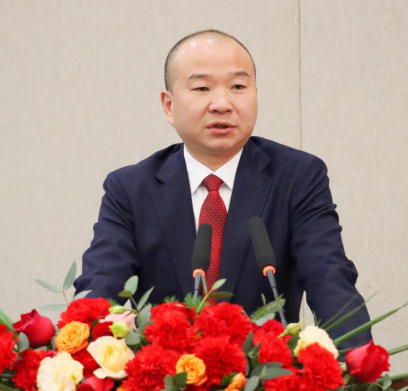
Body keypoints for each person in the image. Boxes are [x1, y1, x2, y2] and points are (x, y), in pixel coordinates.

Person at [73, 29, 372, 349]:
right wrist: (79, 352)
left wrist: (359, 364)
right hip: (165, 375)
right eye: (202, 88)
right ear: (169, 105)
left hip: (267, 375)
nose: (222, 103)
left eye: (238, 87)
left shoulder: (297, 177)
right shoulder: (130, 189)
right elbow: (100, 285)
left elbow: (329, 279)